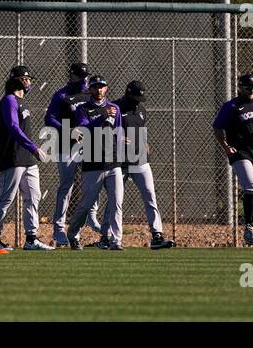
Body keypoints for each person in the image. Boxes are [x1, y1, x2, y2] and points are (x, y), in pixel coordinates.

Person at [0, 65, 53, 251]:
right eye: (27, 79)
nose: (30, 82)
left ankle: (31, 239)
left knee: (33, 196)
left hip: (28, 159)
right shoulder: (9, 100)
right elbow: (14, 128)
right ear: (20, 80)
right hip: (13, 156)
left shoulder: (23, 101)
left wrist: (32, 151)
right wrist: (34, 147)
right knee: (6, 198)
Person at [44, 62, 103, 246]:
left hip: (89, 145)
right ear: (71, 75)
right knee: (67, 186)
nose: (82, 79)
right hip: (66, 145)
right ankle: (59, 229)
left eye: (84, 76)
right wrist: (67, 130)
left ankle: (92, 217)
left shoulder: (88, 92)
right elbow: (49, 118)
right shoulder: (61, 95)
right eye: (79, 76)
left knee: (94, 181)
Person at [212, 74, 253, 248]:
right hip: (239, 153)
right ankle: (249, 228)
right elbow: (217, 127)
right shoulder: (231, 106)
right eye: (248, 88)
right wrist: (225, 146)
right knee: (251, 188)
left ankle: (252, 229)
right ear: (240, 87)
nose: (252, 91)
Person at [66, 76, 124, 250]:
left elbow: (119, 132)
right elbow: (83, 130)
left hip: (113, 162)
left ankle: (115, 240)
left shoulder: (114, 108)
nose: (99, 90)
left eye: (101, 87)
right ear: (90, 89)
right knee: (87, 203)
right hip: (93, 163)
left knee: (116, 202)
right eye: (95, 87)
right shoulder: (84, 109)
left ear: (106, 88)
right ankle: (73, 235)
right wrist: (102, 117)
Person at [116, 81, 175, 250]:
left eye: (140, 98)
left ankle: (157, 235)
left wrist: (145, 142)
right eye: (135, 97)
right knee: (116, 200)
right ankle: (111, 237)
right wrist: (117, 137)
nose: (137, 101)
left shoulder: (141, 109)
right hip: (120, 163)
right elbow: (105, 130)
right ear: (127, 93)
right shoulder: (116, 108)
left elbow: (140, 128)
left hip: (141, 161)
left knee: (150, 196)